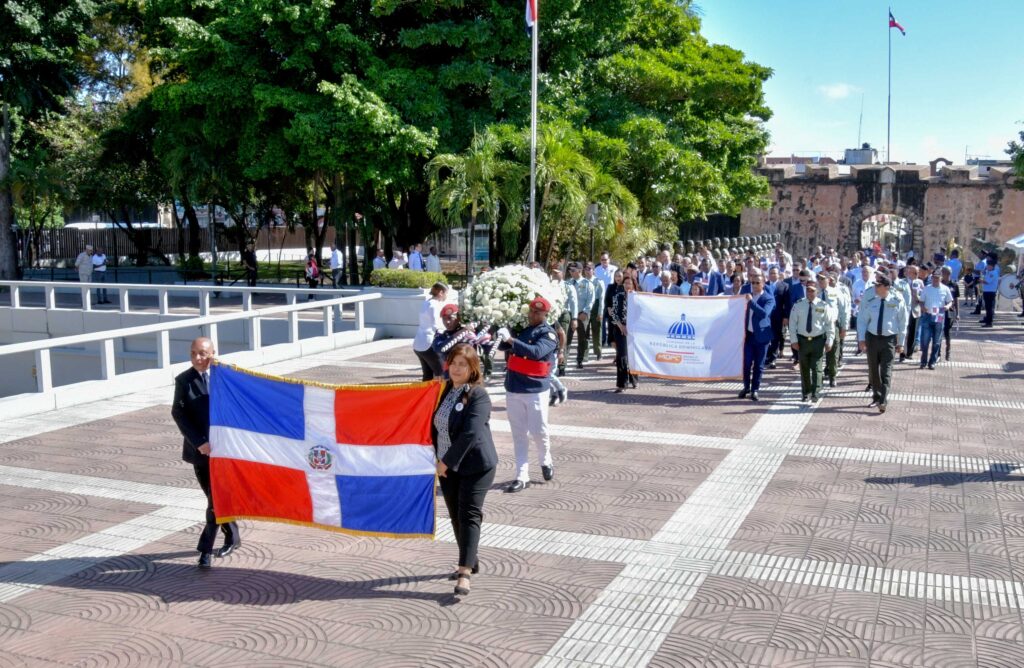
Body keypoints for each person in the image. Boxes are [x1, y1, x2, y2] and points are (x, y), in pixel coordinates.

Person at [432, 344, 498, 597]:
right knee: (456, 517)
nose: (457, 369)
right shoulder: (444, 390)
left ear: (472, 369)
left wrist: (445, 462)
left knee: (469, 514)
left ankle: (464, 572)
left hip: (475, 465)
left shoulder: (479, 395)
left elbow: (470, 434)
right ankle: (472, 559)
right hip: (447, 466)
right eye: (454, 363)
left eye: (463, 364)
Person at [171, 337, 240, 569]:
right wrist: (200, 442)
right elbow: (178, 414)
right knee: (214, 499)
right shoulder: (184, 381)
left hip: (225, 452)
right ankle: (233, 534)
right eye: (193, 354)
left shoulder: (227, 377)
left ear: (213, 353)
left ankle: (205, 550)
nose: (197, 358)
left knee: (213, 503)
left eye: (202, 353)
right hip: (201, 452)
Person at [496, 296, 558, 493]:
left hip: (534, 389)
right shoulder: (522, 329)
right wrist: (497, 329)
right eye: (531, 311)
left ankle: (545, 459)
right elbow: (501, 345)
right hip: (514, 387)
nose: (533, 315)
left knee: (539, 431)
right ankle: (522, 475)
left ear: (545, 314)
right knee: (519, 434)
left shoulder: (548, 334)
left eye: (538, 313)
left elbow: (536, 352)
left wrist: (511, 339)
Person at [856, 274, 908, 413]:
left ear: (886, 287)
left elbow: (903, 322)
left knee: (886, 371)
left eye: (878, 285)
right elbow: (862, 320)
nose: (875, 287)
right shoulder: (872, 301)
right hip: (872, 339)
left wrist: (901, 343)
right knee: (873, 371)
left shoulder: (897, 300)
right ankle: (876, 397)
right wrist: (861, 339)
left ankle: (883, 400)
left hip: (889, 340)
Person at [787, 278, 835, 403]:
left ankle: (815, 392)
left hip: (818, 340)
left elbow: (830, 325)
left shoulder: (823, 306)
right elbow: (792, 324)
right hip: (802, 340)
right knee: (804, 368)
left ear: (817, 291)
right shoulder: (798, 305)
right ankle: (806, 392)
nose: (810, 293)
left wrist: (829, 340)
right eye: (808, 291)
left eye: (812, 291)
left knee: (817, 368)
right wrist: (793, 340)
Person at [739, 269, 774, 401]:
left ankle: (755, 390)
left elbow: (764, 313)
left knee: (759, 365)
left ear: (763, 284)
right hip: (748, 336)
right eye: (752, 282)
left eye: (757, 282)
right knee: (747, 364)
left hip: (762, 337)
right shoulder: (747, 296)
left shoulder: (768, 298)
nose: (754, 285)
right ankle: (746, 386)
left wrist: (751, 302)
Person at [817, 272, 849, 388]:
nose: (821, 282)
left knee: (833, 352)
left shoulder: (836, 292)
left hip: (833, 325)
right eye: (819, 279)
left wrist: (844, 327)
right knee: (818, 352)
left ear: (828, 280)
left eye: (823, 279)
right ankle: (818, 377)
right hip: (818, 326)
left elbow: (843, 310)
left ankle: (832, 376)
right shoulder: (814, 292)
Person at [918, 269, 953, 369]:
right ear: (931, 278)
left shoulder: (945, 289)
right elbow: (921, 301)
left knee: (936, 341)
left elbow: (950, 301)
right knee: (925, 341)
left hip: (939, 316)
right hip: (928, 315)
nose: (935, 280)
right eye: (934, 278)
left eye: (937, 278)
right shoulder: (927, 288)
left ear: (941, 278)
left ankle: (932, 362)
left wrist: (947, 306)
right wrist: (923, 308)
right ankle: (923, 361)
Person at [611, 275, 639, 393]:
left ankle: (634, 379)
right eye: (625, 283)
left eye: (630, 283)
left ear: (633, 285)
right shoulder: (618, 296)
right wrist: (621, 326)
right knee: (622, 356)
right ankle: (621, 384)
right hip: (620, 328)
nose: (627, 285)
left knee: (633, 356)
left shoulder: (637, 298)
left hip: (634, 330)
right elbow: (614, 313)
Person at [413, 283, 447, 380]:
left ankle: (426, 394)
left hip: (419, 343)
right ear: (441, 292)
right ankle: (441, 395)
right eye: (446, 293)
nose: (446, 296)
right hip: (429, 344)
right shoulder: (435, 305)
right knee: (442, 375)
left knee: (427, 376)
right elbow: (437, 325)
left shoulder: (426, 302)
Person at [566, 263, 595, 369]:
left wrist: (585, 312)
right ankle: (563, 362)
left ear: (579, 271)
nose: (571, 272)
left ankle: (580, 359)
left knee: (582, 339)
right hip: (570, 314)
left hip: (582, 314)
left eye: (573, 270)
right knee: (567, 338)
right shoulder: (568, 283)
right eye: (570, 270)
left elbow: (590, 300)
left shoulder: (587, 284)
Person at [432, 304, 476, 374]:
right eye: (444, 319)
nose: (447, 322)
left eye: (450, 318)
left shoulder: (468, 332)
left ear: (458, 318)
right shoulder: (441, 336)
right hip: (449, 377)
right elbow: (439, 348)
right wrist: (460, 333)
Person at [583, 262, 604, 362]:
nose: (587, 271)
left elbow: (601, 298)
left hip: (595, 307)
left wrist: (600, 312)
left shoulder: (598, 281)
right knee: (584, 332)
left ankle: (598, 352)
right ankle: (585, 355)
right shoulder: (582, 282)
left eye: (589, 269)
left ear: (593, 270)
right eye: (586, 269)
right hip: (585, 308)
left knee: (597, 331)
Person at [940, 266, 960, 360]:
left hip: (950, 312)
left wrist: (957, 313)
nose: (943, 274)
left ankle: (948, 353)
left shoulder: (954, 285)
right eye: (942, 272)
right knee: (938, 331)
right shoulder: (939, 284)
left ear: (948, 274)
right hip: (940, 311)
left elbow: (956, 299)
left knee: (947, 332)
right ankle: (938, 353)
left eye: (944, 273)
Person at [980, 256, 1000, 327]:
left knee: (989, 307)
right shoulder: (989, 272)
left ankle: (989, 322)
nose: (987, 266)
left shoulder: (993, 273)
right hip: (987, 291)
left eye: (988, 265)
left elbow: (987, 281)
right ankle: (987, 319)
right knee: (987, 307)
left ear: (991, 266)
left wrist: (980, 280)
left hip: (990, 292)